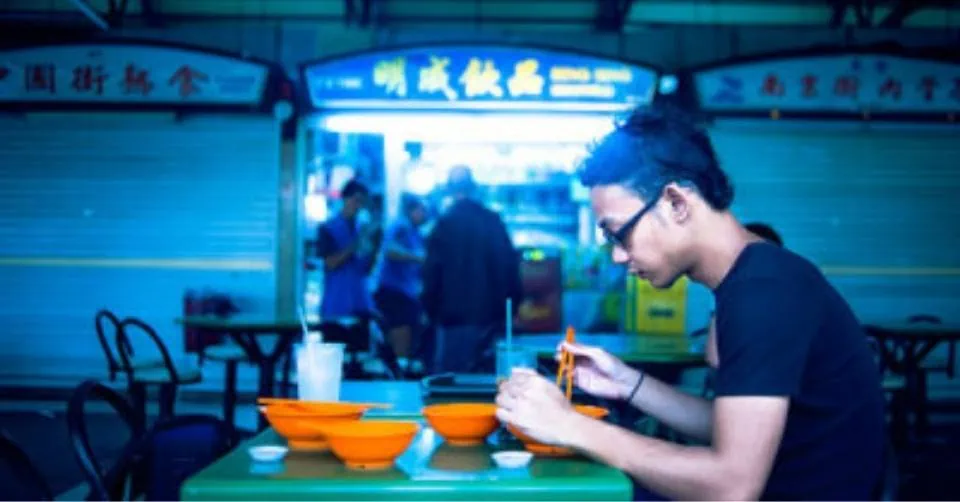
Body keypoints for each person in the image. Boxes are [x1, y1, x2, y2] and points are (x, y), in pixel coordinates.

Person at [495, 103, 885, 500]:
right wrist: (628, 383)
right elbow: (731, 426)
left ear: (677, 203)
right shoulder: (756, 278)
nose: (616, 255)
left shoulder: (763, 292)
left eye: (619, 234)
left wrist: (572, 427)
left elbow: (731, 487)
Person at [422, 165, 523, 374]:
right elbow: (509, 268)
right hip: (489, 319)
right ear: (474, 188)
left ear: (450, 190)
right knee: (487, 383)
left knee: (452, 386)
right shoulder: (492, 221)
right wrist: (511, 308)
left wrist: (430, 311)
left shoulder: (443, 224)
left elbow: (431, 274)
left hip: (451, 320)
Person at [374, 193, 428, 374]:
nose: (425, 214)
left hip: (407, 292)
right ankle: (400, 368)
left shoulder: (417, 233)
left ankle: (401, 365)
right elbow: (390, 250)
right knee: (401, 328)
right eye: (421, 210)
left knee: (410, 328)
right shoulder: (401, 227)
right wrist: (418, 258)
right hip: (393, 290)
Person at [316, 179, 377, 319]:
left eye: (362, 203)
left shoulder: (362, 229)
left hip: (360, 303)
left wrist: (373, 248)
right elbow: (330, 263)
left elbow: (367, 269)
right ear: (345, 198)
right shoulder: (328, 228)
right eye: (356, 200)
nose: (358, 206)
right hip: (337, 305)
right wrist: (354, 245)